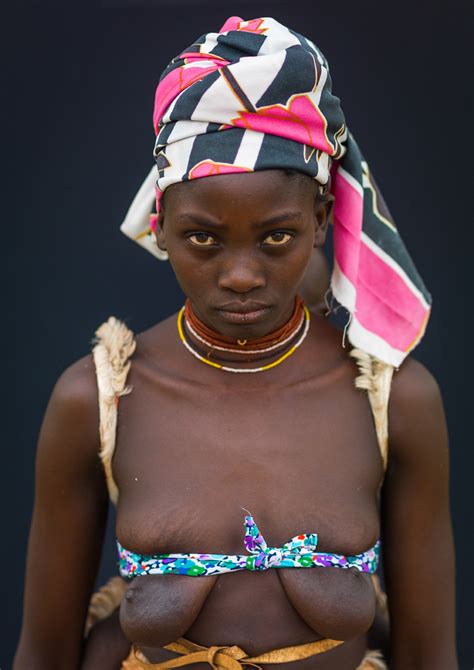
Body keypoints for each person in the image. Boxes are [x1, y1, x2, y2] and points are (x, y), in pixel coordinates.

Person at [13, 15, 457, 670]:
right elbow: (44, 653)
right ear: (161, 225)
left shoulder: (395, 402)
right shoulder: (98, 399)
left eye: (276, 235)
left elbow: (430, 655)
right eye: (204, 239)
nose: (242, 275)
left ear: (321, 219)